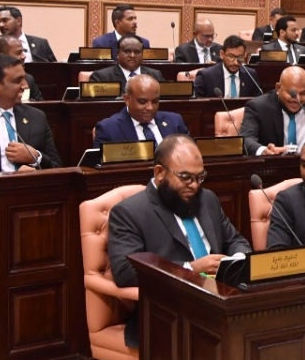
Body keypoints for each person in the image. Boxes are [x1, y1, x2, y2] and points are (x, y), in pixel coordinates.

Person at [107, 135, 250, 346]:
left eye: (200, 177)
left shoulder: (207, 199)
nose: (194, 185)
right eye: (185, 177)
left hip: (222, 300)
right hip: (169, 313)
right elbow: (126, 272)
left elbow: (236, 240)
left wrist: (236, 261)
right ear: (159, 173)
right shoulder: (129, 212)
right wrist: (190, 268)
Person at [238, 66, 305, 155]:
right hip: (274, 166)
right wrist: (263, 150)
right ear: (278, 88)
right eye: (291, 93)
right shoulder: (258, 107)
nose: (297, 99)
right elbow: (246, 139)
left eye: (303, 93)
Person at [93, 74, 189, 146]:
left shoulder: (174, 121)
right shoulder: (108, 129)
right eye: (142, 102)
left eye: (155, 101)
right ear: (127, 99)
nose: (150, 107)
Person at [193, 35, 263, 98]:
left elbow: (258, 101)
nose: (235, 62)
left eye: (240, 57)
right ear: (222, 54)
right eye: (231, 56)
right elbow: (197, 103)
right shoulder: (206, 76)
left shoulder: (250, 75)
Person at [89, 35, 163, 92]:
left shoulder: (155, 76)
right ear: (118, 53)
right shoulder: (101, 77)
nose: (132, 56)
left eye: (137, 52)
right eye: (127, 51)